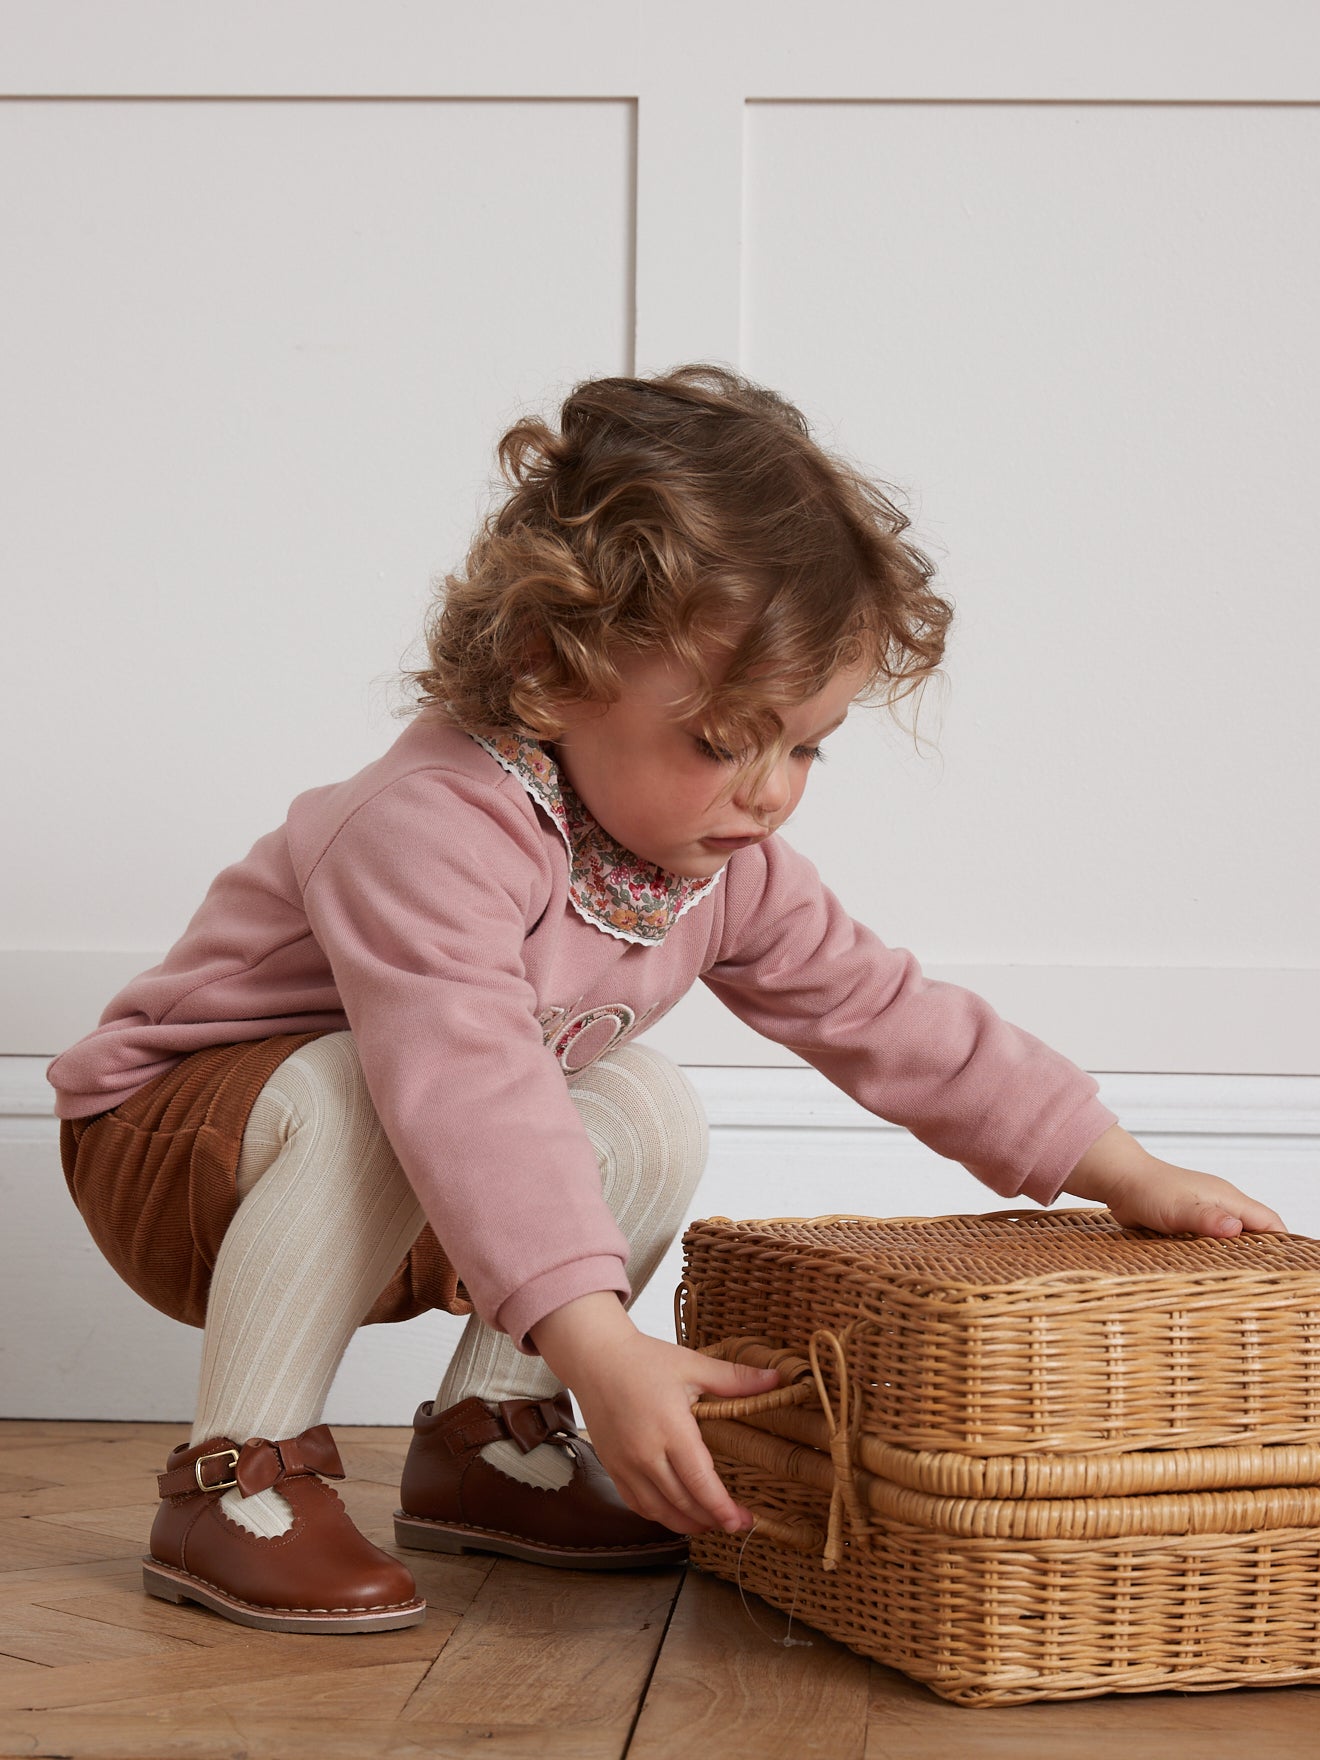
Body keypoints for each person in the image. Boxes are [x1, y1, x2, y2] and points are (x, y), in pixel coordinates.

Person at [48, 363, 1284, 1636]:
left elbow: (886, 1010)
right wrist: (605, 1342)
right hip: (180, 1156)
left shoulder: (711, 862)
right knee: (374, 1075)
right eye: (720, 740)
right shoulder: (428, 824)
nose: (770, 791)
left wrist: (1116, 1164)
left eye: (805, 743)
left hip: (410, 1185)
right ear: (545, 666)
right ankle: (232, 1473)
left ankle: (490, 1439)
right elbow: (462, 1082)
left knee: (643, 1100)